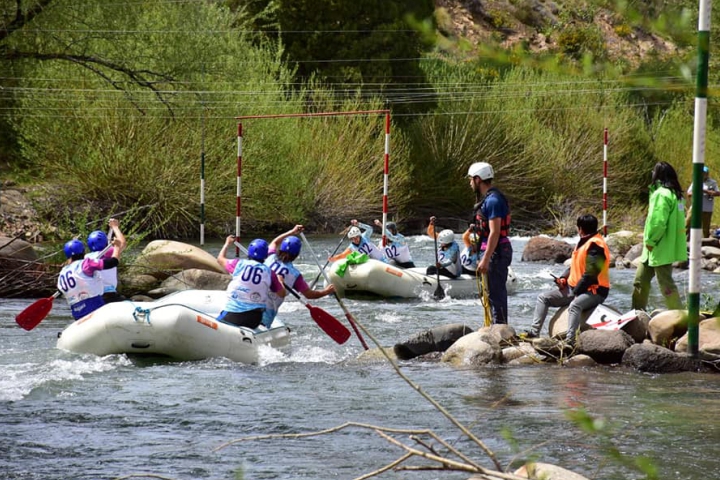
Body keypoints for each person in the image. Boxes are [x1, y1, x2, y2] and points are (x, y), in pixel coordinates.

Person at [522, 214, 611, 346]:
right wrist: (563, 278)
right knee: (543, 298)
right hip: (575, 288)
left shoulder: (596, 246)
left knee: (575, 306)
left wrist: (576, 292)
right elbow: (574, 265)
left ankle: (570, 341)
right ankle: (534, 333)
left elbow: (591, 274)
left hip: (595, 291)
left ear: (580, 229)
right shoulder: (584, 241)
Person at [632, 161, 687, 311]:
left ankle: (679, 315)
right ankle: (636, 314)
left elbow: (658, 222)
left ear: (658, 174)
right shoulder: (676, 195)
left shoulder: (661, 194)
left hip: (657, 246)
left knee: (665, 283)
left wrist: (650, 241)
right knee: (640, 280)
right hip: (662, 247)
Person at [263, 225, 335, 326]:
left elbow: (275, 242)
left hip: (249, 303)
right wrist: (326, 291)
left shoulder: (269, 256)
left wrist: (291, 232)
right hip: (267, 314)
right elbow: (309, 294)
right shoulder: (295, 275)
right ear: (296, 255)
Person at [468, 161, 513, 324]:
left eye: (471, 179)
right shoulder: (488, 200)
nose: (470, 183)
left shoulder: (493, 201)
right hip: (492, 250)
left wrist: (486, 258)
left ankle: (500, 330)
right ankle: (494, 326)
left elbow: (494, 232)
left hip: (497, 252)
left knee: (496, 293)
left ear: (478, 179)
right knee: (490, 294)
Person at [219, 238, 285, 329]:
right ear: (265, 256)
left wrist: (227, 244)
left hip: (233, 314)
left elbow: (220, 259)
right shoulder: (270, 273)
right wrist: (280, 281)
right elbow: (281, 294)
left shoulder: (238, 263)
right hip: (255, 318)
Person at [57, 235, 125, 320]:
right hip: (95, 307)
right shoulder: (86, 263)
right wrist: (117, 247)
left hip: (77, 312)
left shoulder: (63, 272)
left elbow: (61, 290)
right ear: (83, 251)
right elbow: (113, 262)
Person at [85, 218, 127, 303]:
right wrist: (115, 227)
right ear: (104, 243)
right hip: (109, 295)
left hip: (95, 295)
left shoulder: (87, 257)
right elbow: (123, 243)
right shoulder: (109, 252)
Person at [686, 165, 719, 238]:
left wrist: (705, 191)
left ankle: (705, 244)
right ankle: (683, 240)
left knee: (705, 228)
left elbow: (717, 193)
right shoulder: (696, 181)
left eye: (704, 172)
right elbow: (689, 193)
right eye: (702, 172)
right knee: (687, 224)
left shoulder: (713, 182)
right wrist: (697, 192)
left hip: (707, 208)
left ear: (707, 173)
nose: (703, 174)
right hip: (695, 207)